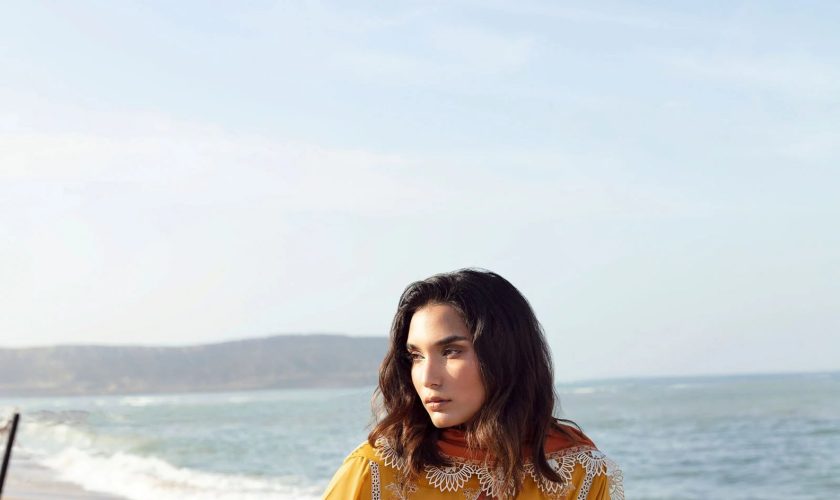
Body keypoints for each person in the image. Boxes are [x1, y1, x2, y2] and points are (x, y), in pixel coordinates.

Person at [324, 269, 623, 499]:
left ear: (505, 355)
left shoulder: (580, 473)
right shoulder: (375, 472)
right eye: (416, 356)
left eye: (450, 352)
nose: (427, 378)